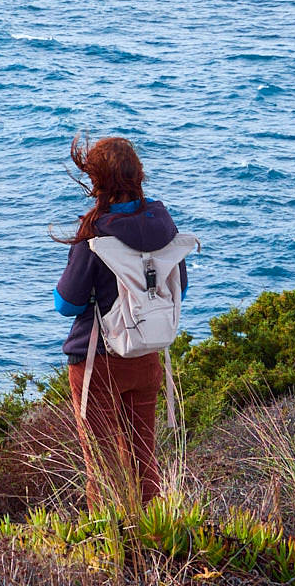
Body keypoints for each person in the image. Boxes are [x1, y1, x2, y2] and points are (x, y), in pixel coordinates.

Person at [52, 135, 185, 508]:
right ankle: (151, 542)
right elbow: (179, 292)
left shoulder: (95, 234)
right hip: (146, 357)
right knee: (144, 460)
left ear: (97, 181)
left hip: (99, 361)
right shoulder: (165, 228)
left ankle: (111, 550)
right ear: (138, 174)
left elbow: (66, 303)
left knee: (105, 466)